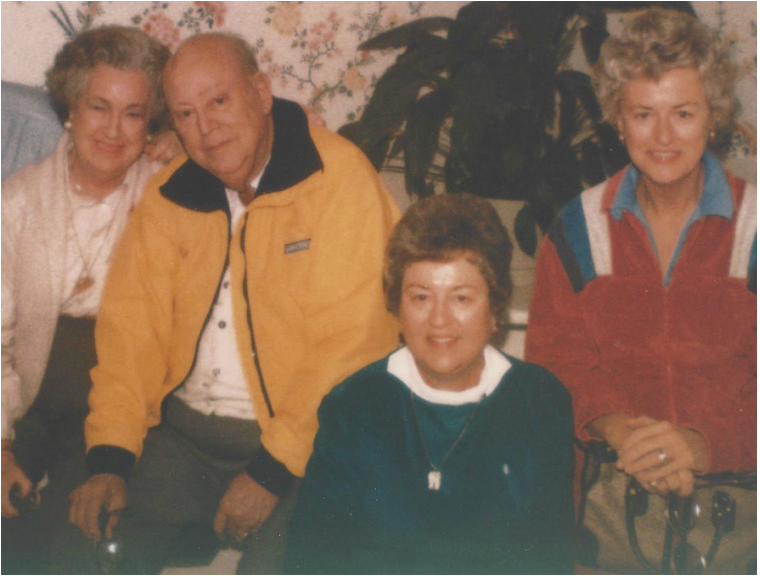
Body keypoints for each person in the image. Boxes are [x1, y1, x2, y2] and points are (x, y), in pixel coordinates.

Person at [65, 32, 400, 574]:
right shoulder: (169, 196)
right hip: (182, 440)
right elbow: (131, 336)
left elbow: (354, 344)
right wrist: (109, 458)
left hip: (304, 452)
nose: (206, 127)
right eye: (186, 114)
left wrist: (271, 472)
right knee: (86, 550)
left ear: (262, 91)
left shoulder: (339, 180)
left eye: (219, 101)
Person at [526, 7, 756, 573]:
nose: (662, 136)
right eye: (643, 114)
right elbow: (555, 366)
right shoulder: (576, 228)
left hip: (741, 515)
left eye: (683, 113)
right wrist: (619, 428)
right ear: (618, 121)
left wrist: (702, 443)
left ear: (713, 117)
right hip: (608, 514)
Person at [286, 194, 575, 574]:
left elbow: (547, 560)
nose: (439, 319)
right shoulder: (354, 406)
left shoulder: (539, 403)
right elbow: (312, 559)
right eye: (421, 297)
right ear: (398, 306)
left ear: (495, 307)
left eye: (461, 298)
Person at [1, 26, 173, 574]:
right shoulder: (18, 199)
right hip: (22, 391)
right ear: (70, 107)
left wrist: (186, 146)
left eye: (134, 113)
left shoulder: (168, 196)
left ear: (151, 123)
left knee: (77, 539)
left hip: (111, 406)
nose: (114, 130)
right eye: (99, 106)